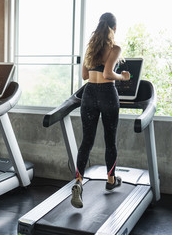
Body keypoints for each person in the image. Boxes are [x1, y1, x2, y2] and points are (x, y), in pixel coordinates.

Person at [71, 12, 131, 209]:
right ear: (114, 28)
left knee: (86, 141)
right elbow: (108, 73)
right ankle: (111, 180)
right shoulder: (115, 48)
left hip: (89, 95)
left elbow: (85, 76)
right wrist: (122, 77)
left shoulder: (90, 48)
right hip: (107, 93)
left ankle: (78, 182)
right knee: (110, 140)